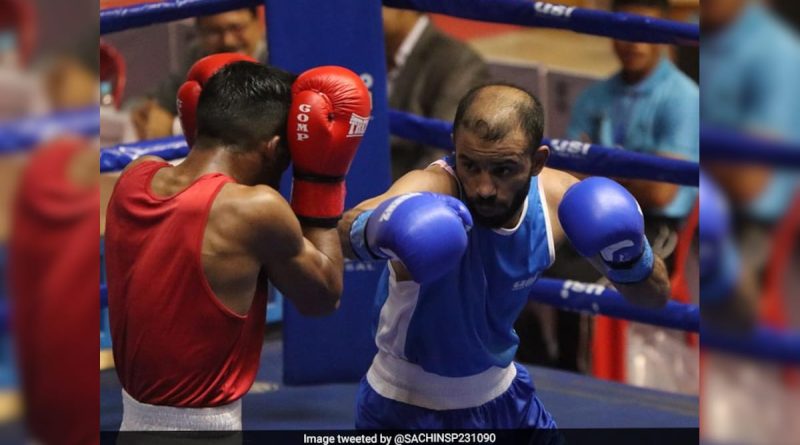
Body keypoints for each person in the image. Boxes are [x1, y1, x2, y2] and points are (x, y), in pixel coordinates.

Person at [338, 83, 671, 429]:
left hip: (505, 396)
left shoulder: (560, 202)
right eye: (470, 165)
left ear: (537, 161)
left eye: (503, 170)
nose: (483, 187)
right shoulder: (432, 190)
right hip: (407, 407)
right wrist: (381, 228)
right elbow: (345, 229)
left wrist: (631, 257)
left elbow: (652, 298)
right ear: (455, 147)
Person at [105, 56, 371, 430]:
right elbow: (323, 295)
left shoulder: (134, 177)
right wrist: (320, 179)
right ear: (275, 148)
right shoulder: (252, 210)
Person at [551, 0, 699, 383]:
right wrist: (632, 167)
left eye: (645, 31)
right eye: (624, 29)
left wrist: (600, 166)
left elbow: (663, 192)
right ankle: (551, 375)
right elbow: (567, 173)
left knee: (596, 284)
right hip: (590, 212)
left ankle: (586, 387)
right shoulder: (595, 96)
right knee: (534, 259)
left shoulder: (683, 98)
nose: (633, 41)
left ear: (664, 36)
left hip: (658, 225)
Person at [382, 6, 490, 180]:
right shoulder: (362, 53)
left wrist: (388, 201)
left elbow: (444, 156)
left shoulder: (459, 63)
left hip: (410, 197)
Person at [132, 8, 266, 141]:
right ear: (200, 33)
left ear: (258, 25)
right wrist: (152, 109)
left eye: (236, 28)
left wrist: (173, 126)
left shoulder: (277, 54)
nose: (227, 41)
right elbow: (164, 95)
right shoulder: (198, 54)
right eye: (214, 31)